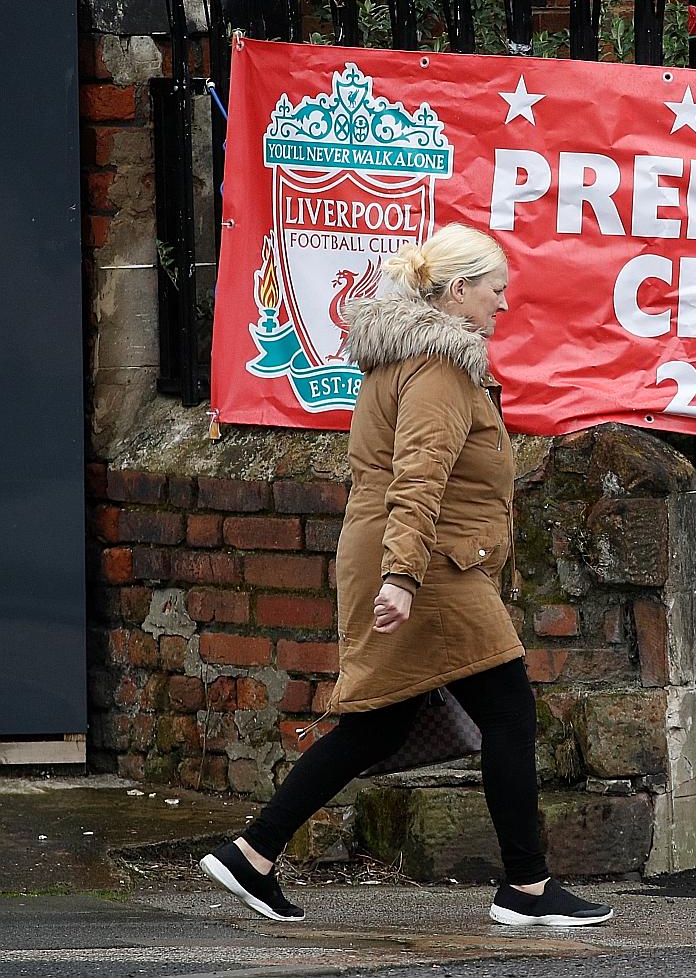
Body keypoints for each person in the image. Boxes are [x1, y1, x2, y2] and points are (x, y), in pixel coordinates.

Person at [199, 224, 611, 928]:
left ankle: (253, 853)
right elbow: (417, 476)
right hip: (429, 565)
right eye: (495, 290)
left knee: (378, 725)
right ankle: (526, 889)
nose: (502, 306)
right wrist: (403, 577)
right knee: (509, 710)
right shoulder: (441, 367)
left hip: (414, 558)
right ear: (458, 291)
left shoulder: (402, 359)